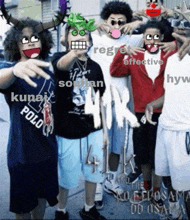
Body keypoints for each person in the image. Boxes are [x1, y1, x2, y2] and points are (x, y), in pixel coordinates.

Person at [145, 3, 190, 219]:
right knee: (167, 177)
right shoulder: (172, 60)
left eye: (189, 25)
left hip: (186, 132)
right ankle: (174, 210)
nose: (182, 28)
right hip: (165, 128)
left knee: (186, 187)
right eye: (179, 24)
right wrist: (153, 104)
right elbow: (171, 93)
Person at [110, 20, 177, 215]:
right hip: (140, 113)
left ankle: (156, 192)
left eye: (156, 36)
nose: (152, 40)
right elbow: (115, 70)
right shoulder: (136, 57)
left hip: (162, 113)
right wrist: (122, 51)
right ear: (144, 38)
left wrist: (177, 44)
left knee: (158, 157)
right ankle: (146, 187)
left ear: (162, 38)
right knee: (143, 154)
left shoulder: (169, 55)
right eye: (148, 36)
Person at [0, 17, 59, 219]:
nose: (31, 42)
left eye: (35, 37)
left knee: (42, 200)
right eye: (24, 39)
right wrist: (14, 70)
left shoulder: (49, 70)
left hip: (48, 151)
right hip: (21, 154)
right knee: (23, 207)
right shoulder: (10, 67)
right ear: (15, 43)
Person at [89, 0, 144, 208]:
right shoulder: (95, 37)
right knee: (99, 143)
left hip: (121, 103)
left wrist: (139, 23)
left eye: (121, 22)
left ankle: (111, 179)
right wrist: (95, 24)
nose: (117, 26)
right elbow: (72, 27)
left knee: (117, 145)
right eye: (113, 21)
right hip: (99, 101)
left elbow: (159, 31)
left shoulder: (133, 39)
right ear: (107, 20)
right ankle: (97, 183)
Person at [52, 17, 107, 220]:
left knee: (93, 171)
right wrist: (74, 51)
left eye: (83, 33)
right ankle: (61, 211)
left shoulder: (96, 68)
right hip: (67, 131)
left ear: (90, 40)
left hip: (93, 129)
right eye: (73, 33)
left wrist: (105, 132)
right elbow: (62, 66)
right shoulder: (59, 59)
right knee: (67, 175)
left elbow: (100, 100)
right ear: (65, 40)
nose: (78, 36)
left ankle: (89, 208)